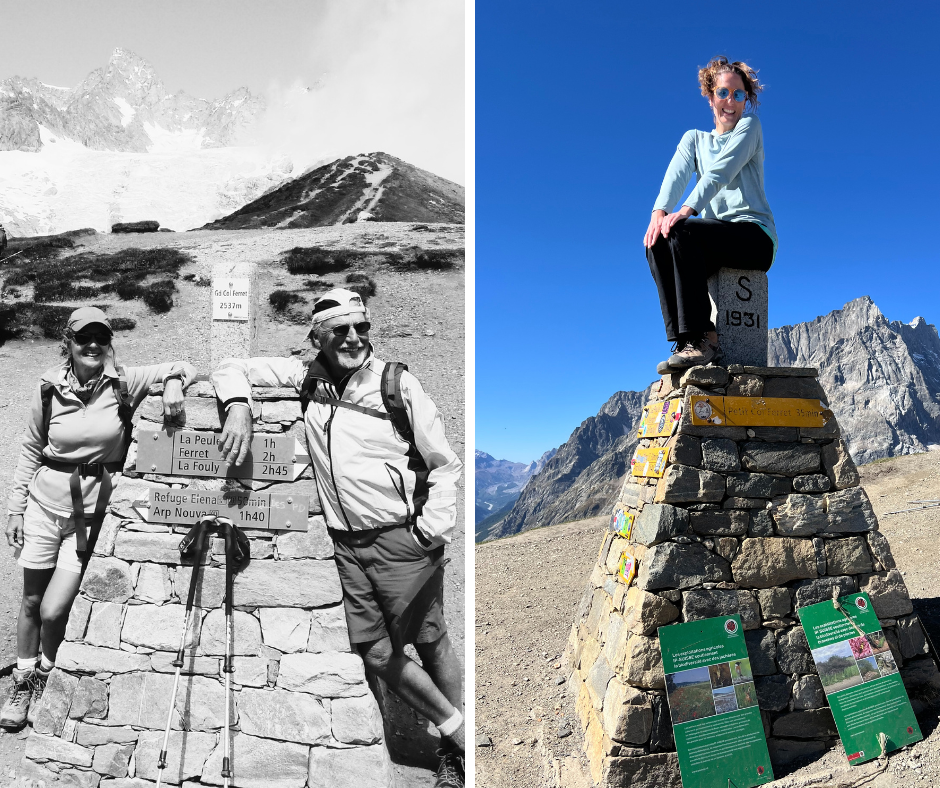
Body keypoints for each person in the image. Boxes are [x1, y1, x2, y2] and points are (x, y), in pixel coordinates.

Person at [212, 288, 465, 788]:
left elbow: (444, 464)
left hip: (402, 537)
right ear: (317, 337)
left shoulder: (397, 383)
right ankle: (458, 730)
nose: (354, 338)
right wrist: (238, 405)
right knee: (375, 650)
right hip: (346, 543)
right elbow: (228, 365)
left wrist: (427, 533)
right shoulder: (305, 377)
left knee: (429, 639)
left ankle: (452, 755)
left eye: (362, 328)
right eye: (340, 331)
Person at [3, 307, 195, 728]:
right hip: (43, 506)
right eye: (82, 337)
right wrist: (15, 508)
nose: (92, 345)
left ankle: (47, 674)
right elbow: (31, 449)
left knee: (55, 608)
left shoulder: (125, 381)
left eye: (100, 338)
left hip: (90, 514)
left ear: (109, 343)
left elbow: (186, 364)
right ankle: (21, 679)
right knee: (32, 599)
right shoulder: (48, 389)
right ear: (67, 343)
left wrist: (175, 383)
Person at [644, 56, 777, 373]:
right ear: (709, 95)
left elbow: (721, 171)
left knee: (682, 229)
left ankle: (704, 340)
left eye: (739, 95)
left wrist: (686, 211)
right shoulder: (694, 139)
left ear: (746, 100)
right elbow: (675, 176)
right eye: (723, 93)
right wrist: (658, 214)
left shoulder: (749, 127)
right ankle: (685, 340)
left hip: (754, 237)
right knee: (658, 240)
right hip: (715, 237)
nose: (730, 101)